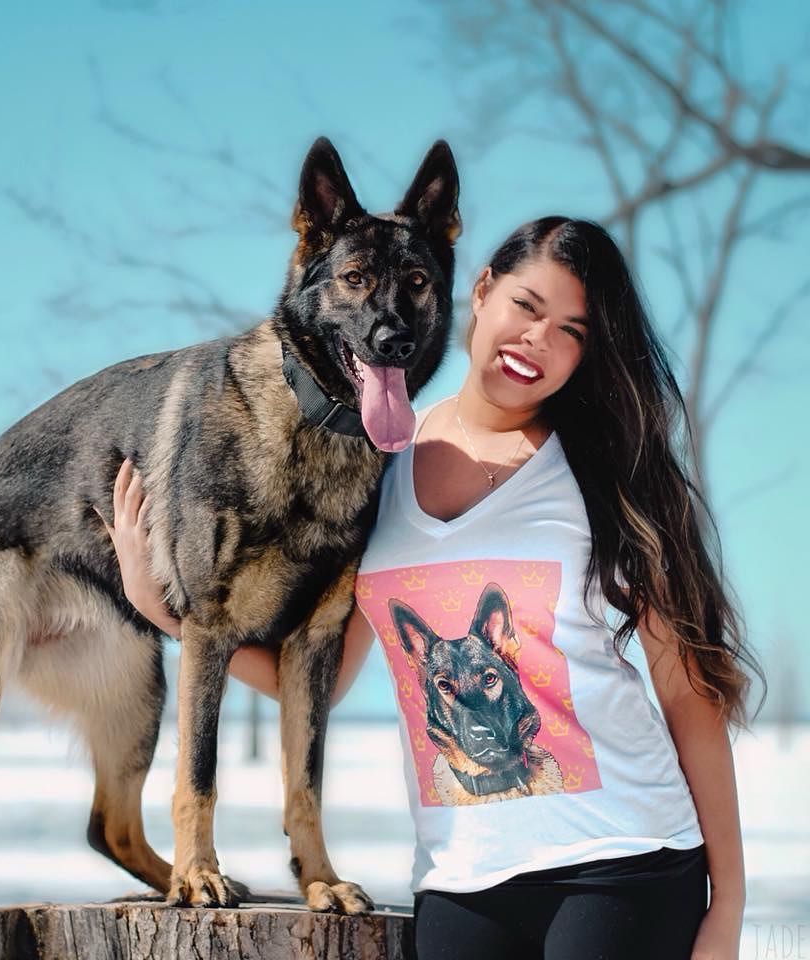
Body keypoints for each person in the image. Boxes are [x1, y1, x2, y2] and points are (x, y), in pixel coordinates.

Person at [98, 217, 763, 960]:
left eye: (572, 330)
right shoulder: (376, 469)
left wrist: (728, 902)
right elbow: (320, 679)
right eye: (527, 306)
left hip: (622, 863)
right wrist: (161, 605)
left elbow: (690, 692)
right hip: (460, 879)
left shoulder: (605, 472)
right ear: (480, 292)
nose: (539, 339)